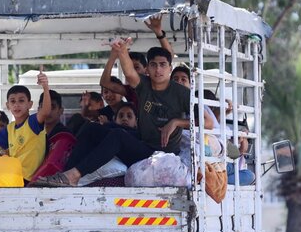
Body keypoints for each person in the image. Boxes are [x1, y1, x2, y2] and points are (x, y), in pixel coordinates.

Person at [36, 16, 190, 187]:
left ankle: (74, 175)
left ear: (170, 68)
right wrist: (121, 51)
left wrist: (176, 122)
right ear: (149, 69)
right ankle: (65, 176)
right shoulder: (143, 85)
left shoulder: (181, 93)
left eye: (163, 65)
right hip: (143, 143)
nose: (158, 69)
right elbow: (128, 73)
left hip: (162, 154)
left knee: (117, 135)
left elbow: (206, 122)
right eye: (154, 65)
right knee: (94, 128)